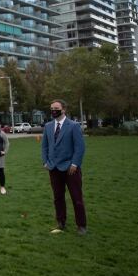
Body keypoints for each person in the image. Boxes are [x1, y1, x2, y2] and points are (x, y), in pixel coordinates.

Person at [42, 99, 87, 235]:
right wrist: (46, 162)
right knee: (58, 198)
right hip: (54, 168)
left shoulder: (73, 126)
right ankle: (61, 222)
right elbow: (45, 146)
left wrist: (74, 164)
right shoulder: (48, 126)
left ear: (64, 109)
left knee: (76, 198)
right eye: (51, 108)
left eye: (56, 108)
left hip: (70, 168)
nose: (53, 111)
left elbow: (80, 147)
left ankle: (81, 225)